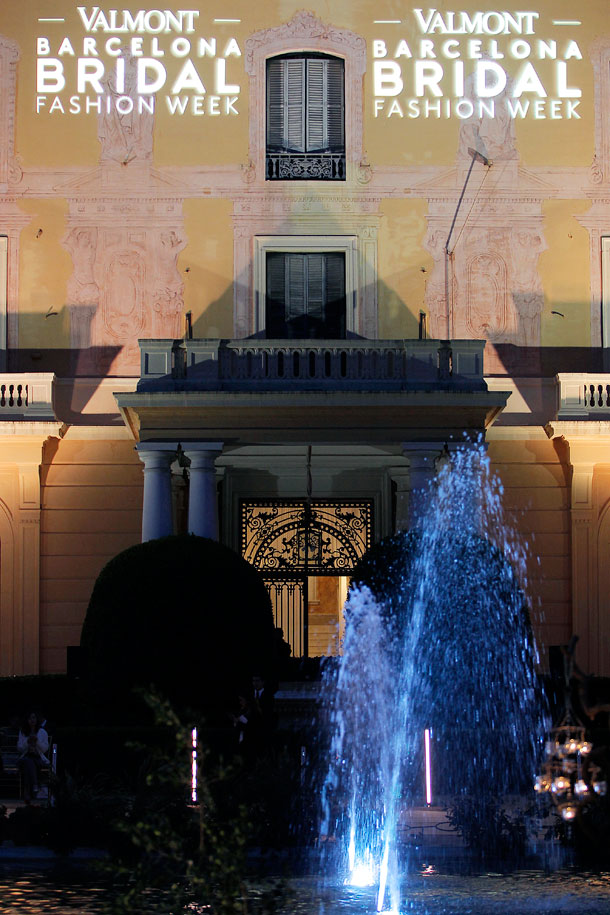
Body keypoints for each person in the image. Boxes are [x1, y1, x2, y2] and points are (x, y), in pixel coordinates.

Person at [17, 712, 49, 804]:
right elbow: (19, 748)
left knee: (29, 763)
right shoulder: (23, 731)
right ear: (27, 720)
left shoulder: (42, 732)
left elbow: (44, 749)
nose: (32, 720)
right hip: (26, 757)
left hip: (38, 758)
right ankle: (35, 785)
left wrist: (37, 741)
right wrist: (27, 742)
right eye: (30, 718)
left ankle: (27, 792)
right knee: (28, 761)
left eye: (34, 718)